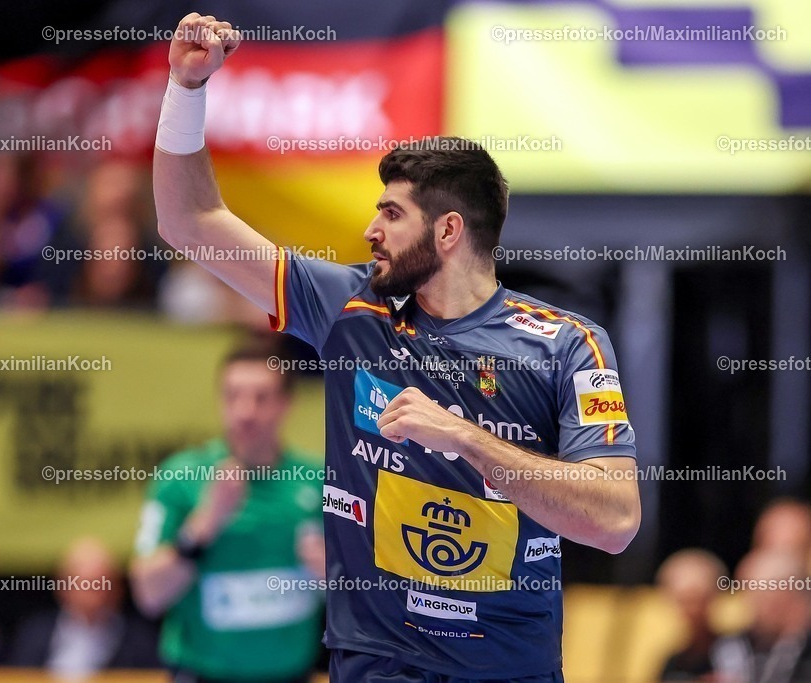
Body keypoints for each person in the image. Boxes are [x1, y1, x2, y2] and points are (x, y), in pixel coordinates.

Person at [151, 13, 641, 682]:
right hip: (380, 665)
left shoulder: (567, 344)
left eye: (390, 213)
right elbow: (190, 221)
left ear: (446, 232)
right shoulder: (351, 309)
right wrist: (186, 87)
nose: (368, 228)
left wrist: (468, 440)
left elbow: (614, 518)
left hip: (506, 668)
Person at [130, 337, 326, 683]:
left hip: (293, 675)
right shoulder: (182, 477)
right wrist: (205, 524)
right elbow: (148, 594)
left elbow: (369, 600)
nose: (245, 411)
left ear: (287, 403)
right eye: (233, 396)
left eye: (261, 398)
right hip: (201, 674)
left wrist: (332, 574)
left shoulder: (317, 480)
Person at [9, 537, 159, 675]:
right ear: (62, 587)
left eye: (103, 584)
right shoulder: (34, 634)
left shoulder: (141, 643)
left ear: (118, 589)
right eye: (86, 584)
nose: (96, 594)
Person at [712, 550, 811, 683]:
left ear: (784, 596)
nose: (749, 607)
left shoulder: (803, 646)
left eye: (757, 598)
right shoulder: (746, 643)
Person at [657, 549, 729, 681]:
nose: (692, 610)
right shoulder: (672, 661)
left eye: (697, 599)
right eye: (683, 601)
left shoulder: (735, 655)